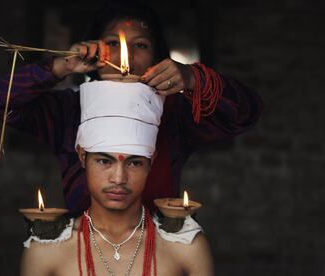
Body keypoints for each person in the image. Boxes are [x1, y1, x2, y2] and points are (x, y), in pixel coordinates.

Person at [0, 1, 263, 217]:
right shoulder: (68, 111)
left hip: (160, 252)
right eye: (112, 44)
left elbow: (246, 112)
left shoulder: (176, 112)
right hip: (84, 251)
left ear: (157, 56)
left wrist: (193, 78)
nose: (123, 55)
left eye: (139, 45)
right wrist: (61, 66)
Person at [20, 75, 213, 276]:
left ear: (151, 162)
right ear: (82, 156)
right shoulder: (45, 250)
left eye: (134, 162)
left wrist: (191, 76)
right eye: (104, 161)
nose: (119, 178)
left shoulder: (186, 246)